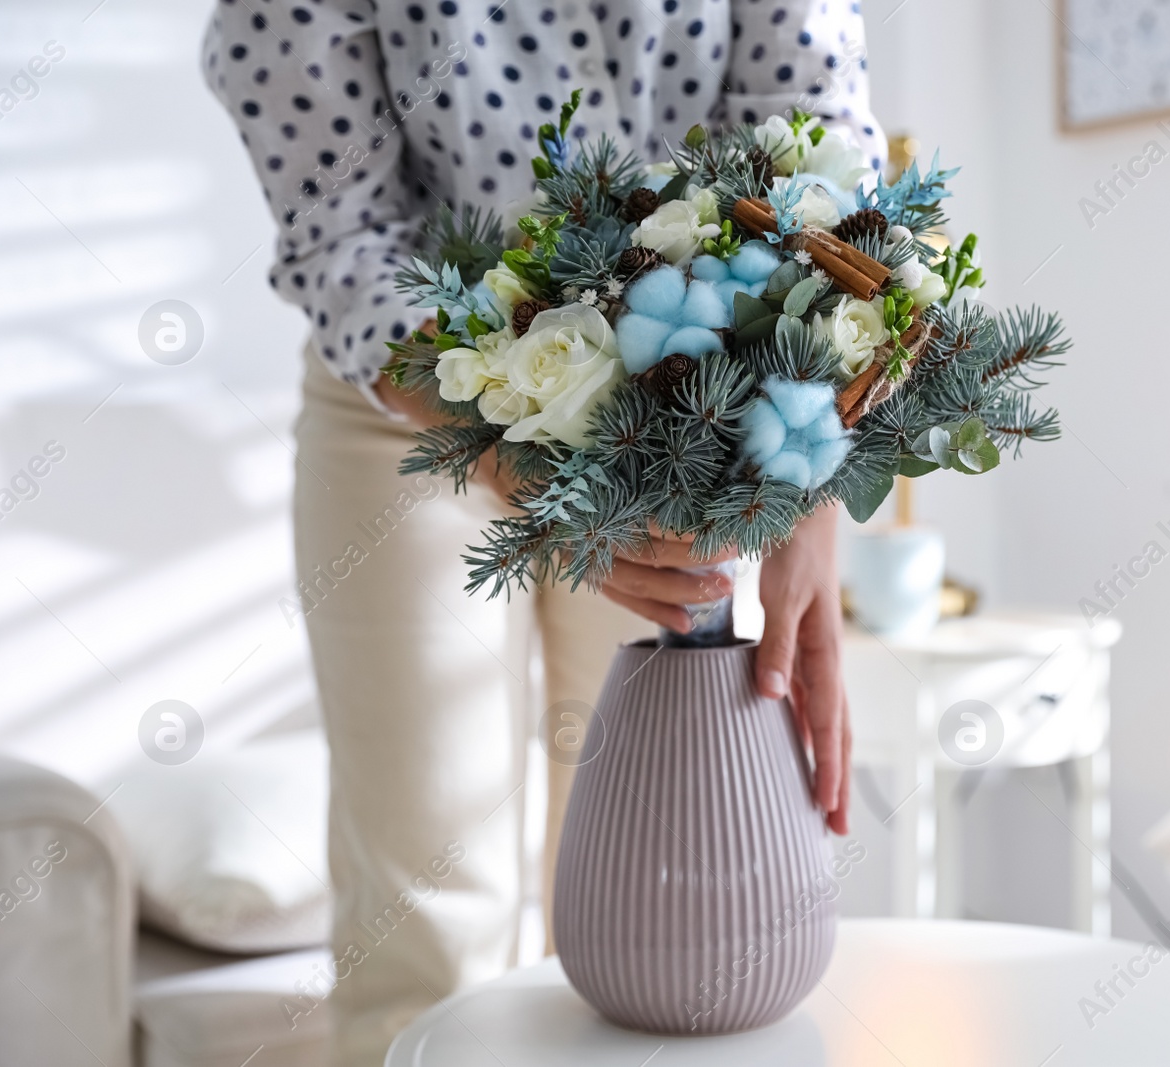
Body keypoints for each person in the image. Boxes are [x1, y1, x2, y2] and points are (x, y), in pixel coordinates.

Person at [202, 2, 885, 1063]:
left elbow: (818, 162)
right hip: (411, 388)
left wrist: (811, 478)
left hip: (679, 401)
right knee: (425, 895)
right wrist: (499, 430)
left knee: (658, 891)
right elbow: (338, 225)